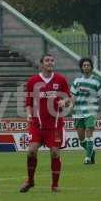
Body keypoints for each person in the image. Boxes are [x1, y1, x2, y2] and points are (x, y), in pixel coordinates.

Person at [20, 53, 72, 193]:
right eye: (47, 60)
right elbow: (28, 103)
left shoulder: (60, 80)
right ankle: (30, 181)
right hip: (37, 124)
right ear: (41, 64)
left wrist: (64, 101)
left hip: (54, 125)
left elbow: (69, 99)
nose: (50, 62)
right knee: (31, 151)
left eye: (52, 60)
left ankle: (55, 185)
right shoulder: (33, 81)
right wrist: (28, 115)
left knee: (55, 153)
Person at [71, 58, 101, 164]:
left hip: (91, 111)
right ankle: (91, 152)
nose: (86, 67)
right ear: (81, 67)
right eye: (84, 65)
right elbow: (73, 96)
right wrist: (70, 105)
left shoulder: (97, 81)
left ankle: (88, 158)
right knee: (81, 139)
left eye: (88, 65)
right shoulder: (77, 81)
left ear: (91, 67)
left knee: (89, 133)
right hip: (78, 112)